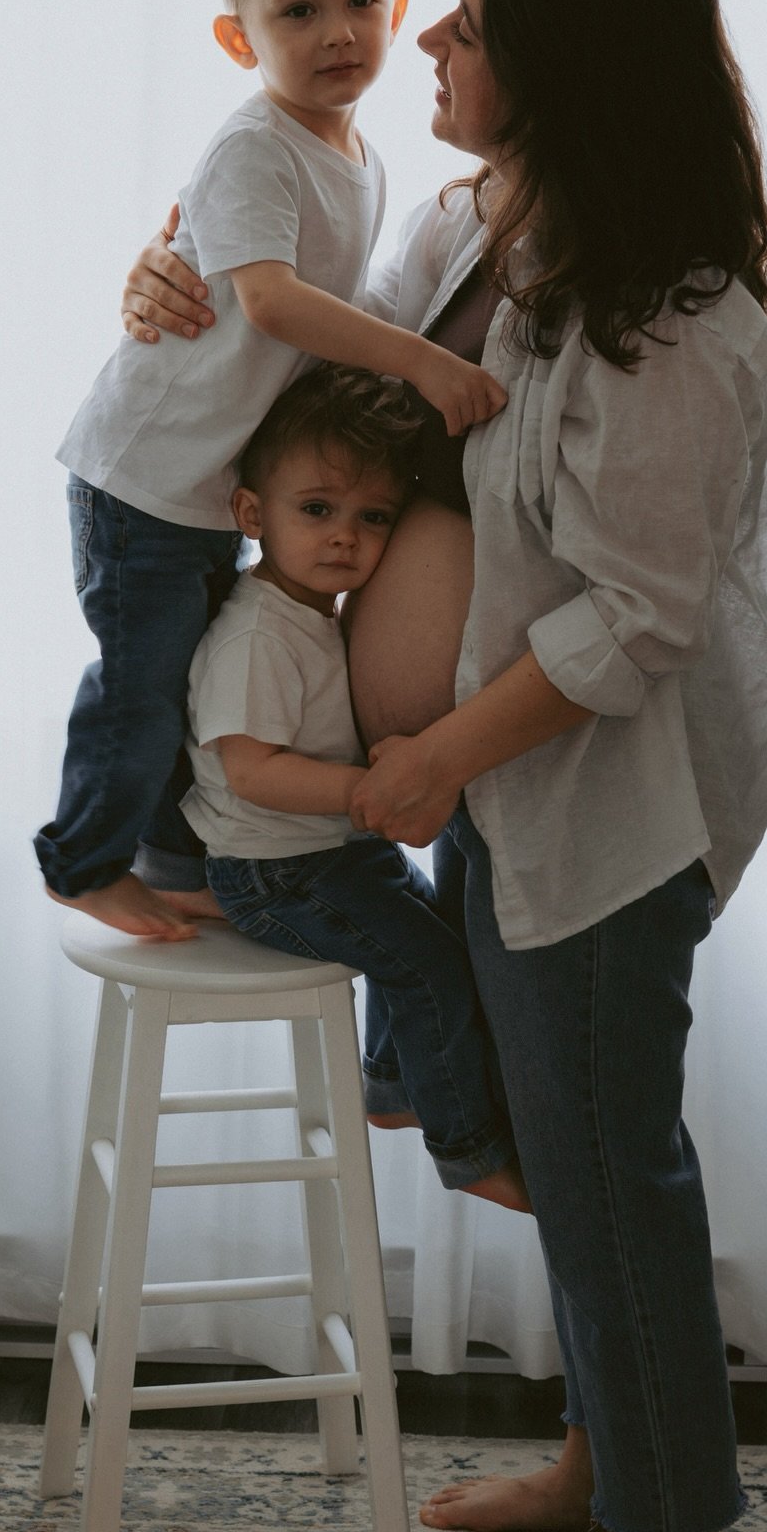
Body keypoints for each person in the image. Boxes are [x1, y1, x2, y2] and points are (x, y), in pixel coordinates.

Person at [120, 0, 767, 1532]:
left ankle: (656, 1509)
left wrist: (427, 757)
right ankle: (608, 1470)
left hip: (609, 800)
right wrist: (173, 279)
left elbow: (641, 620)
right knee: (571, 1153)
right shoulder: (474, 228)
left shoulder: (684, 324)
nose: (424, 41)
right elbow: (308, 356)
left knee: (608, 1164)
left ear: (560, 76)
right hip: (497, 782)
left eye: (470, 26)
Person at [34, 0, 506, 942]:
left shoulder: (366, 159)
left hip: (204, 491)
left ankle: (165, 853)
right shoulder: (256, 146)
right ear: (241, 40)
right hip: (145, 477)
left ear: (394, 8)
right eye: (299, 11)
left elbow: (329, 314)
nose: (338, 33)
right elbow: (278, 305)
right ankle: (82, 856)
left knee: (185, 682)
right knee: (142, 683)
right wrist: (422, 364)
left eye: (356, 4)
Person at [183, 364, 529, 1213]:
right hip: (276, 871)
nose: (346, 536)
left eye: (373, 517)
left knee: (427, 931)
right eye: (317, 509)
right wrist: (364, 791)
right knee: (429, 965)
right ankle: (467, 1147)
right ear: (252, 514)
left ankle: (390, 1082)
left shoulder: (310, 610)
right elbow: (250, 770)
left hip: (329, 856)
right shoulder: (257, 635)